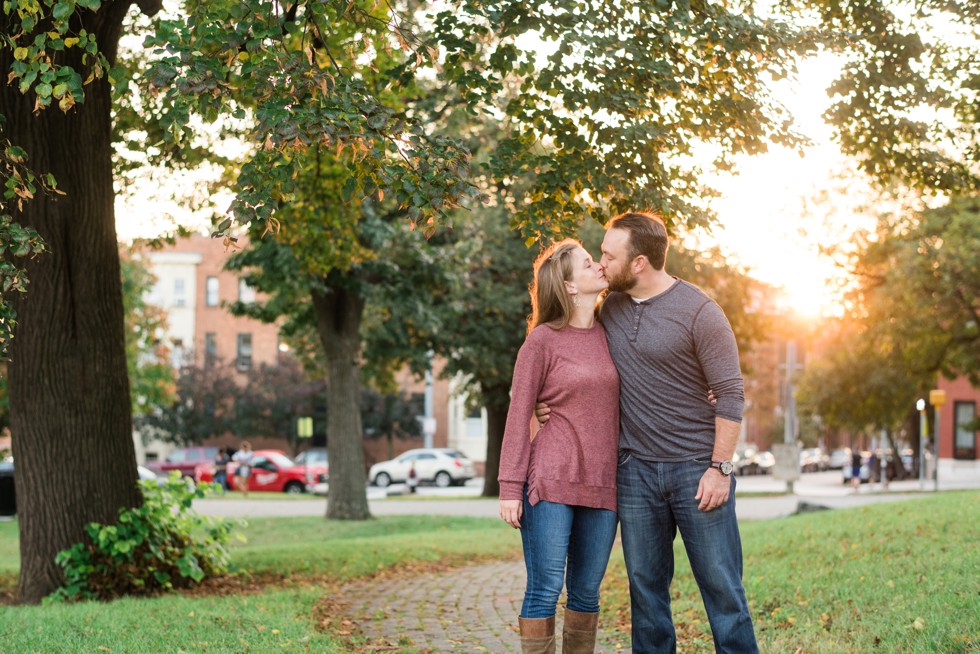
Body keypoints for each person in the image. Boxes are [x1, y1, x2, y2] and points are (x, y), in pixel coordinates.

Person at [537, 212, 757, 653]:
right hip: (634, 473)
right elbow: (574, 357)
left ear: (638, 263)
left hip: (697, 472)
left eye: (608, 255)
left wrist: (720, 468)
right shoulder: (609, 308)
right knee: (646, 594)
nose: (600, 262)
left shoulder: (701, 312)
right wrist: (549, 403)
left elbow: (731, 394)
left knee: (722, 590)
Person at [498, 239, 621, 654]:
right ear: (569, 286)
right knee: (546, 588)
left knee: (587, 592)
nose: (598, 266)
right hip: (550, 479)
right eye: (588, 264)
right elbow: (517, 414)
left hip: (603, 481)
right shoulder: (542, 341)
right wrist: (510, 487)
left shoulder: (613, 333)